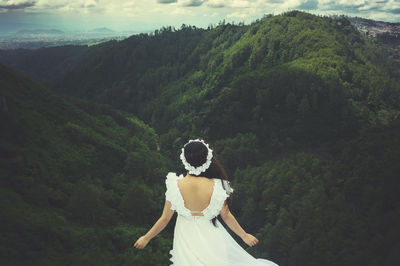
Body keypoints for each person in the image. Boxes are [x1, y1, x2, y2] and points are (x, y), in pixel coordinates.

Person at [134, 138, 278, 265]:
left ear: (184, 159)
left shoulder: (175, 185)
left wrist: (146, 238)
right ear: (207, 159)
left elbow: (165, 219)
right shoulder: (218, 185)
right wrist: (244, 235)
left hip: (186, 240)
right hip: (213, 237)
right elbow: (226, 215)